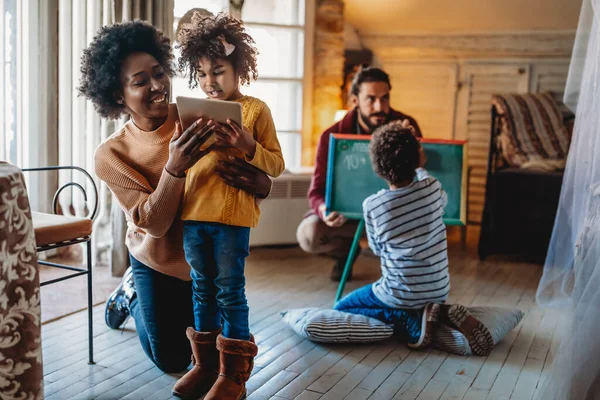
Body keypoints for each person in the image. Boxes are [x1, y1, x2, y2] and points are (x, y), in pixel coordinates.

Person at [79, 21, 273, 377]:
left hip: (204, 262)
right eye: (140, 82)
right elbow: (153, 224)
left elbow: (235, 179)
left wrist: (262, 184)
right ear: (118, 94)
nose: (156, 86)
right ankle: (131, 294)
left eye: (159, 73)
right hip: (157, 263)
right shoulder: (111, 154)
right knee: (171, 359)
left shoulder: (197, 116)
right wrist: (175, 168)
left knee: (217, 343)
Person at [172, 12, 285, 400]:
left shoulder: (255, 111)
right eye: (201, 73)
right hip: (193, 216)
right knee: (201, 289)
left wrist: (248, 146)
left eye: (218, 71)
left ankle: (233, 375)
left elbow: (276, 164)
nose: (209, 81)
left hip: (231, 220)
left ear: (239, 69)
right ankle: (204, 366)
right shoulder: (191, 110)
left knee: (230, 291)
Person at [335, 122, 494, 355]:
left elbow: (377, 250)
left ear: (377, 168)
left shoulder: (373, 206)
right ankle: (439, 313)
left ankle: (408, 319)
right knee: (399, 296)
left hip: (398, 294)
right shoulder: (431, 189)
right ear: (417, 160)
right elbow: (437, 193)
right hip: (439, 289)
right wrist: (420, 165)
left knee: (343, 306)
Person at [297, 66, 423, 282]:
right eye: (371, 99)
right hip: (349, 218)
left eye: (384, 99)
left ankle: (402, 278)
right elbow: (315, 192)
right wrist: (324, 209)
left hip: (393, 216)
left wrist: (411, 144)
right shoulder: (331, 135)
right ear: (354, 100)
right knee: (309, 235)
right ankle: (346, 253)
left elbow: (421, 176)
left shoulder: (406, 126)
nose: (379, 107)